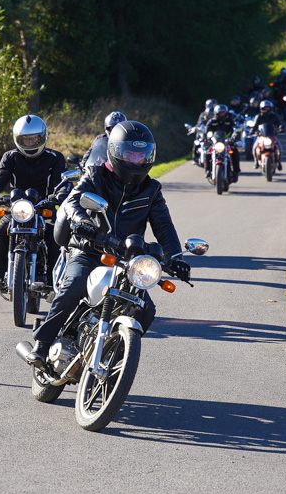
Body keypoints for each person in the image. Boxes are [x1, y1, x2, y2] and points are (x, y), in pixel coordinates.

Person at [23, 121, 191, 368]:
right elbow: (72, 201)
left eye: (141, 156)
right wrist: (81, 221)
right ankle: (42, 344)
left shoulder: (152, 189)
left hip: (126, 259)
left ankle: (114, 358)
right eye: (130, 155)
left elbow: (164, 225)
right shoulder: (96, 175)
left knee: (146, 310)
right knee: (73, 287)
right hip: (89, 248)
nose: (136, 161)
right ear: (115, 151)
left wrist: (176, 257)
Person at [0, 115, 72, 289]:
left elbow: (63, 182)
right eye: (26, 140)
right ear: (18, 139)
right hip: (18, 208)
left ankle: (52, 282)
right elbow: (0, 177)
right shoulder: (10, 157)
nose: (30, 144)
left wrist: (60, 195)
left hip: (43, 207)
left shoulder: (55, 158)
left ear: (42, 138)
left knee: (55, 238)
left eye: (34, 139)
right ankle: (0, 275)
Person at [205, 104, 240, 180]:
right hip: (216, 143)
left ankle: (236, 170)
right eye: (220, 113)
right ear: (216, 113)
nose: (222, 114)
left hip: (227, 142)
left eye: (223, 113)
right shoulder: (211, 122)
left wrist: (233, 137)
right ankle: (207, 170)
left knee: (234, 151)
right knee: (207, 153)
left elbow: (235, 130)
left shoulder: (230, 121)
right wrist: (208, 138)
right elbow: (207, 132)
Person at [250, 100, 284, 170]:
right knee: (255, 147)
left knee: (279, 147)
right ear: (261, 109)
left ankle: (279, 162)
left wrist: (280, 128)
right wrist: (252, 131)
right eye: (265, 108)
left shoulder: (274, 116)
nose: (267, 110)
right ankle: (256, 161)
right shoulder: (259, 116)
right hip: (261, 136)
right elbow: (255, 126)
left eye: (268, 108)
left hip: (272, 135)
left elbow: (279, 124)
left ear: (271, 108)